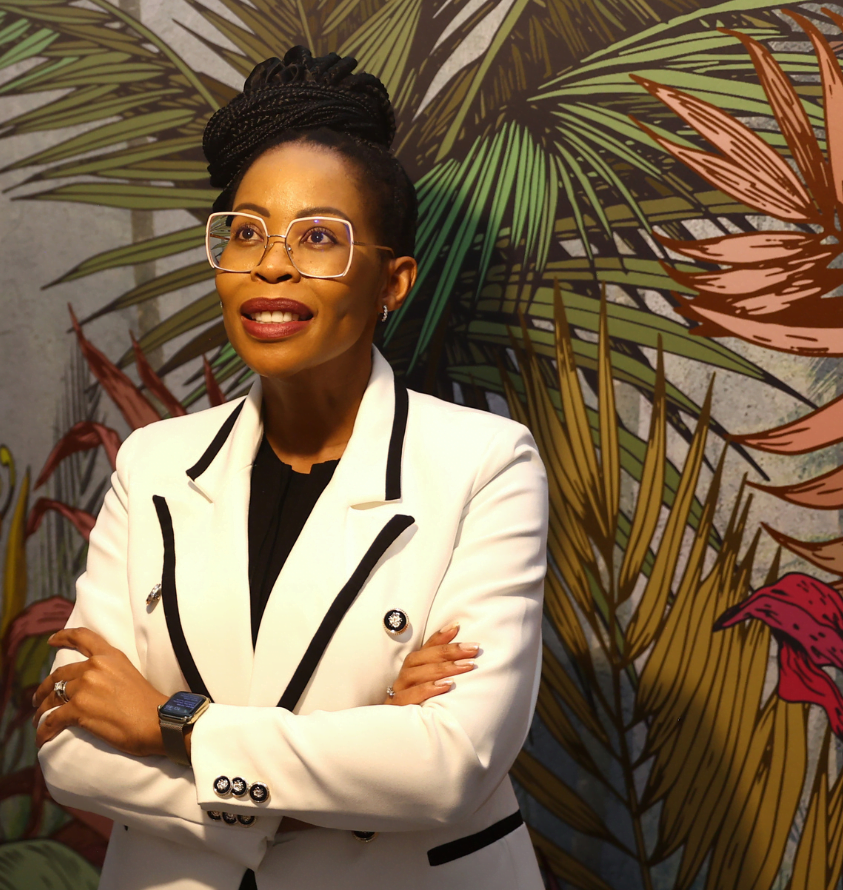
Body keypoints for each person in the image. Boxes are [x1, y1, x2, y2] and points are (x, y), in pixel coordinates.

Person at [32, 47, 548, 889]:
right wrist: (360, 756)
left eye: (317, 237)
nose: (271, 263)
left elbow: (448, 767)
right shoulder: (154, 464)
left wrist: (172, 722)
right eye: (245, 232)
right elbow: (74, 746)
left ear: (394, 280)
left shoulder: (483, 463)